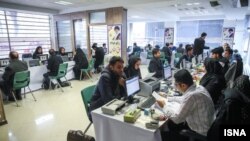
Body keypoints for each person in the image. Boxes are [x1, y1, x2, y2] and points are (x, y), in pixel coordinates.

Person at [157, 69, 214, 140]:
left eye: (176, 84)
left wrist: (164, 106)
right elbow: (184, 99)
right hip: (208, 127)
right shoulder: (198, 88)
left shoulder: (192, 96)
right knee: (170, 123)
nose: (175, 87)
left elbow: (177, 119)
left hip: (200, 133)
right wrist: (168, 98)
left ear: (183, 85)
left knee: (161, 135)